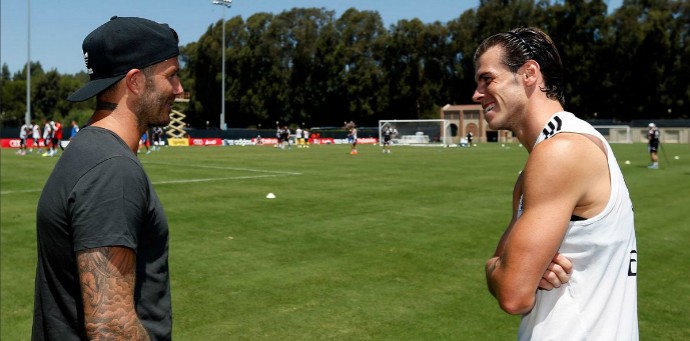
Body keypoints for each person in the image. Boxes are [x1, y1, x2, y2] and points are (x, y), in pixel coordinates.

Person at [473, 27, 637, 340]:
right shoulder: (542, 160)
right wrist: (507, 268)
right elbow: (508, 271)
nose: (477, 94)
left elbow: (512, 293)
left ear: (529, 73)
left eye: (488, 79)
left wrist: (495, 268)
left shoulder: (561, 151)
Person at [32, 16, 183, 340]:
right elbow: (111, 328)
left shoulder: (87, 149)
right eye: (172, 76)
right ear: (135, 82)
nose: (179, 89)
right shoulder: (111, 169)